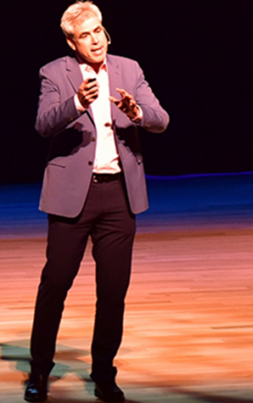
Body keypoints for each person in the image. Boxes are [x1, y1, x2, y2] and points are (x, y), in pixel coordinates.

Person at [25, 1, 169, 402]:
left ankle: (104, 372)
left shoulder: (130, 68)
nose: (95, 40)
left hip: (119, 197)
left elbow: (162, 118)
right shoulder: (55, 73)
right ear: (72, 41)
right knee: (55, 284)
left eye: (99, 31)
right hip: (74, 196)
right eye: (85, 34)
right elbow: (42, 125)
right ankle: (39, 371)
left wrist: (135, 110)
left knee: (113, 289)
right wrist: (76, 103)